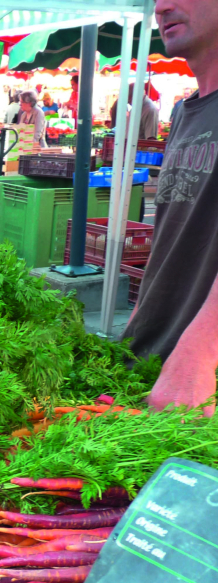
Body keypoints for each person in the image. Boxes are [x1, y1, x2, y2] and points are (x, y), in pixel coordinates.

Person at [122, 0, 218, 415]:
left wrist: (204, 349)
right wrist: (140, 318)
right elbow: (171, 234)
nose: (161, 6)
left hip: (198, 388)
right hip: (148, 368)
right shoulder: (185, 111)